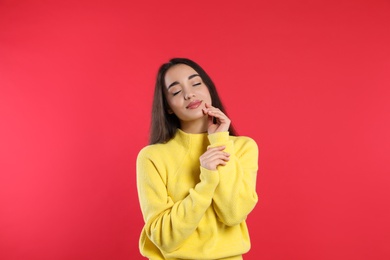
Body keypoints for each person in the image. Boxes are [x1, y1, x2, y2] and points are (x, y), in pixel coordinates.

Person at [136, 58, 259, 260]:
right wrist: (207, 182)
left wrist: (219, 140)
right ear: (167, 107)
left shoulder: (243, 147)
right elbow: (163, 237)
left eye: (195, 83)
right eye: (176, 91)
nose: (189, 94)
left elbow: (233, 213)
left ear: (209, 89)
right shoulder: (152, 157)